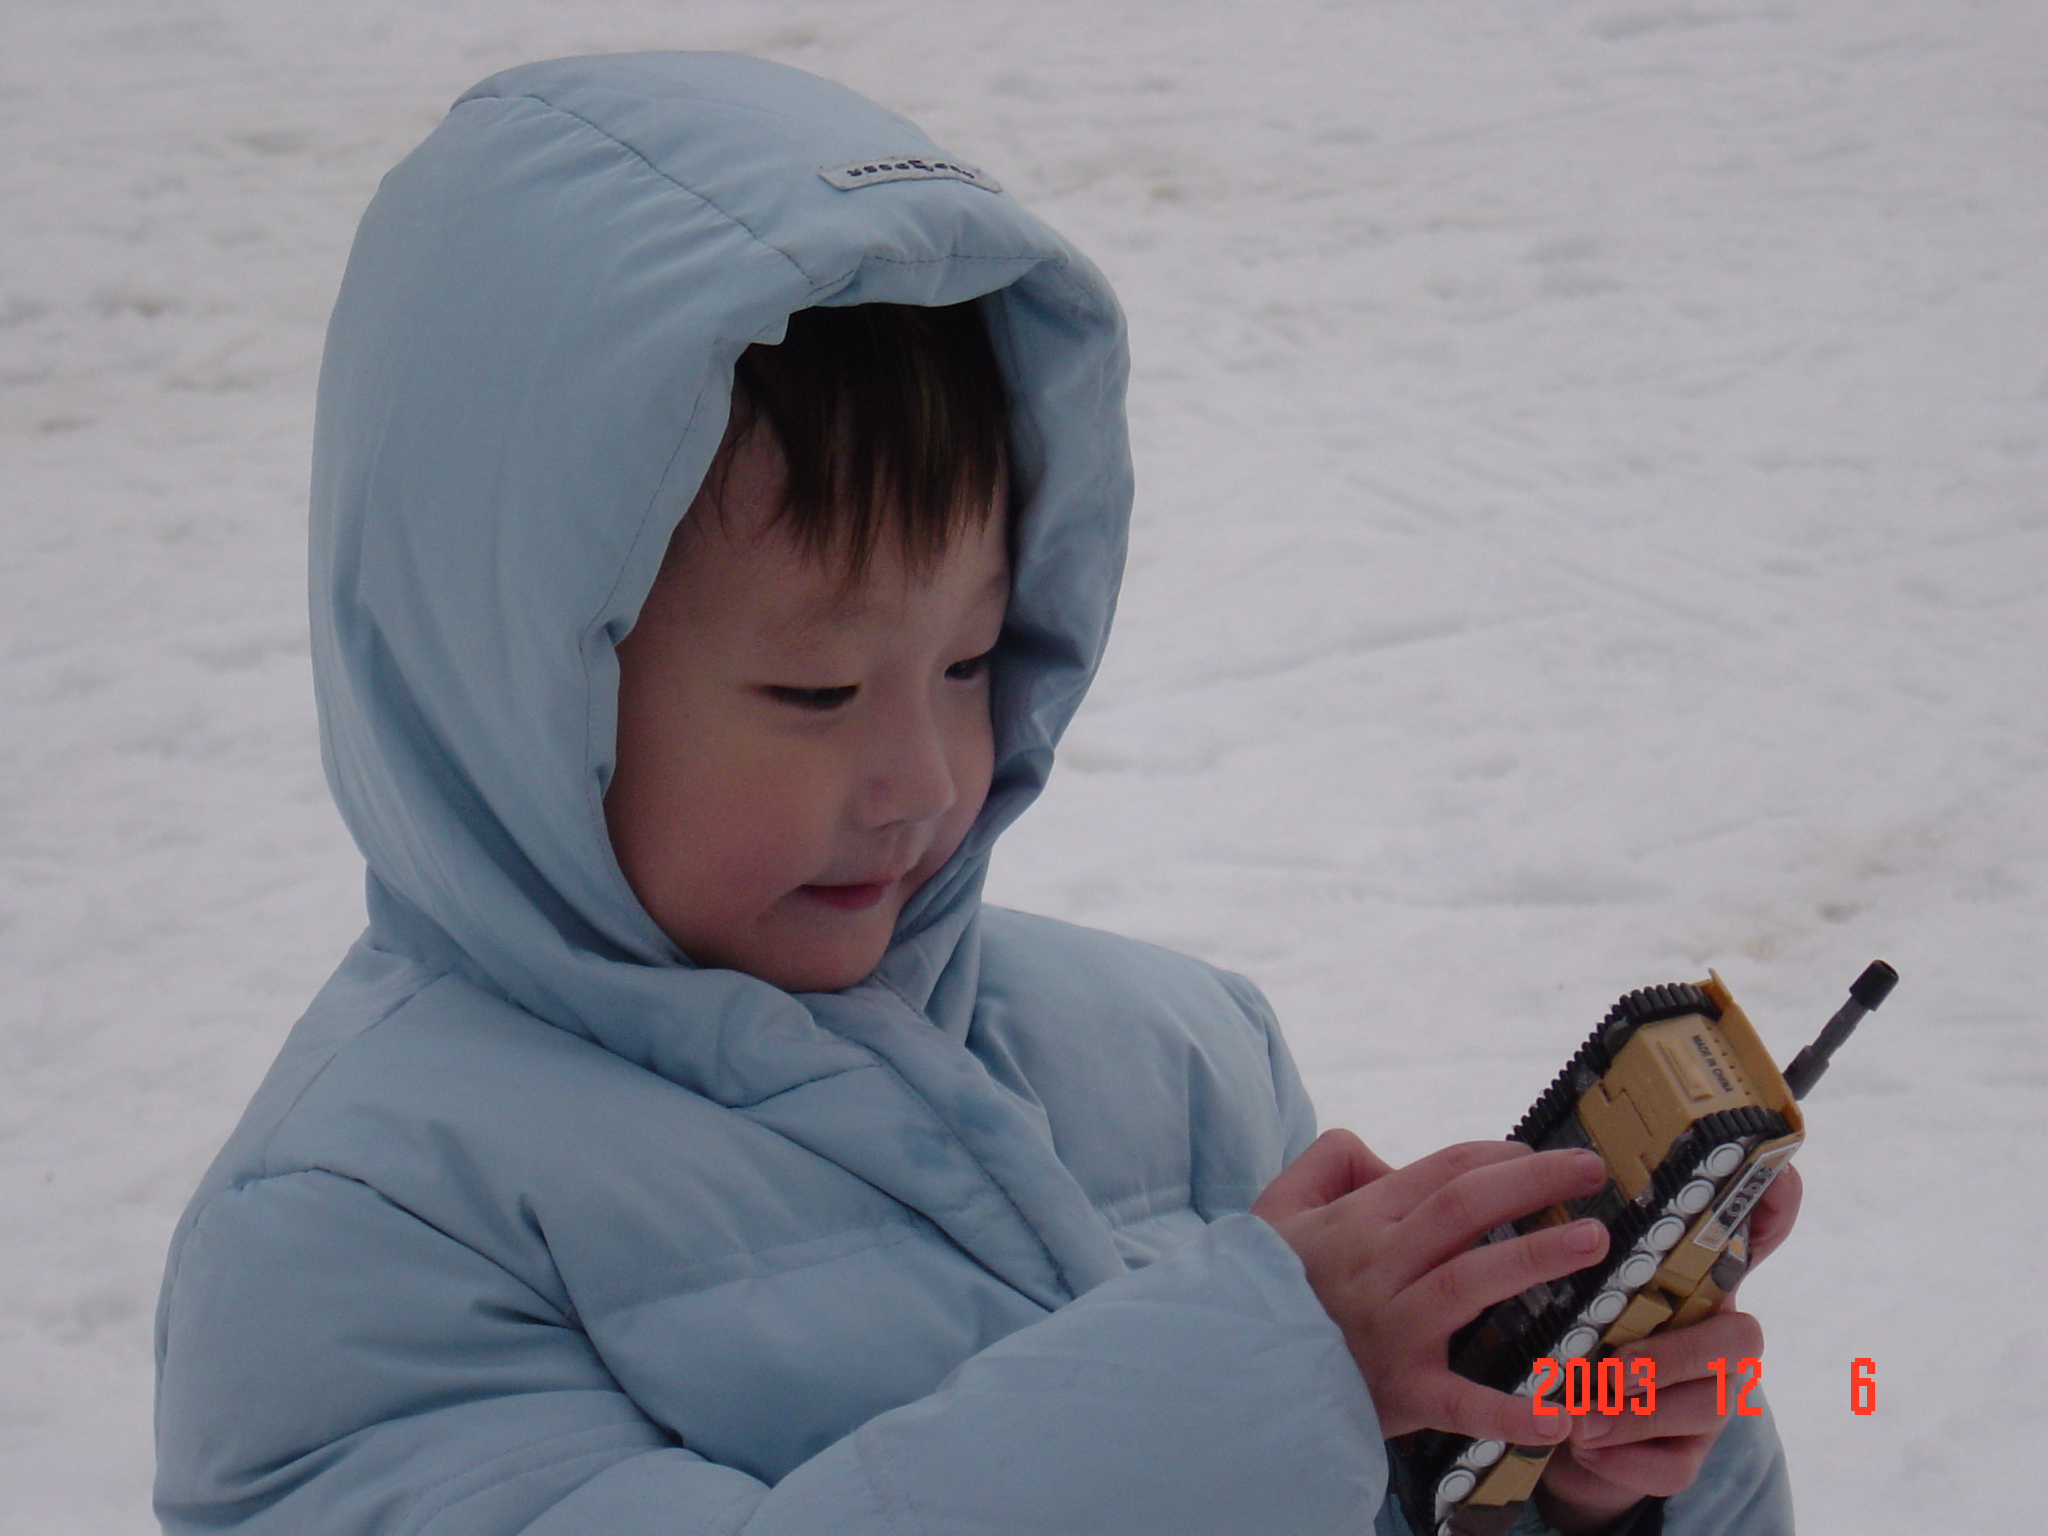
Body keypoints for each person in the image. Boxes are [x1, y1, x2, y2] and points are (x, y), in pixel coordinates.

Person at [152, 52, 1797, 1536]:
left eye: (969, 661)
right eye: (813, 692)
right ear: (516, 679)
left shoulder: (1174, 1059)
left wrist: (1544, 1471)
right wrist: (1265, 1382)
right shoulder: (360, 1234)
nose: (925, 776)